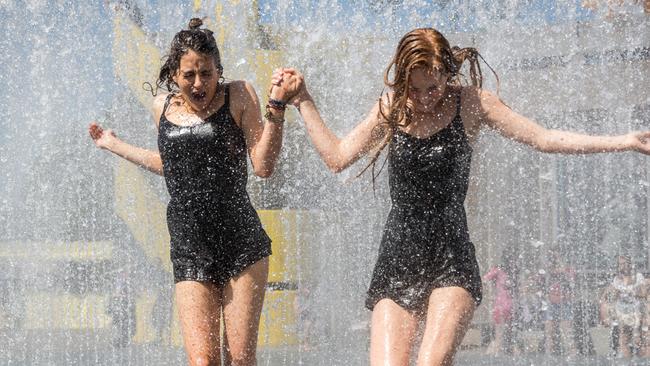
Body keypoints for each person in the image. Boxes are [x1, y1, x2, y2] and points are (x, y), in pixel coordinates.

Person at [272, 27, 650, 365]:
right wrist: (303, 99)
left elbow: (544, 138)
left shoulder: (472, 104)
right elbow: (337, 158)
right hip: (397, 257)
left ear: (447, 74)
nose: (422, 98)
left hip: (451, 259)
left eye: (432, 87)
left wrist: (623, 141)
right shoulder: (392, 107)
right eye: (414, 88)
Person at [89, 18, 292, 366]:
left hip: (241, 243)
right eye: (189, 75)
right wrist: (114, 145)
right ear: (174, 74)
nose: (199, 84)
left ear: (218, 70)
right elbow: (173, 165)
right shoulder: (162, 107)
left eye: (207, 73)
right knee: (202, 361)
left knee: (240, 359)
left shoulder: (239, 95)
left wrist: (276, 107)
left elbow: (262, 165)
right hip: (189, 245)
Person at [600, 255, 645, 358]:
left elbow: (643, 293)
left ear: (631, 264)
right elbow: (605, 297)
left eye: (626, 263)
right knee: (621, 340)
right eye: (621, 264)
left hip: (637, 316)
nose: (624, 266)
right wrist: (605, 315)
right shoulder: (616, 280)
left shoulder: (638, 277)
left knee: (638, 344)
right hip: (622, 317)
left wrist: (630, 291)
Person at [542, 251, 576, 356]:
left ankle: (572, 353)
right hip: (551, 303)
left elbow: (570, 277)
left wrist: (559, 262)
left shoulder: (567, 270)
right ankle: (549, 354)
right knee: (549, 331)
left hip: (565, 303)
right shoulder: (547, 272)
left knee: (567, 330)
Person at [483, 265, 513, 355]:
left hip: (500, 304)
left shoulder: (498, 271)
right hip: (510, 304)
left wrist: (489, 290)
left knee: (499, 329)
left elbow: (485, 278)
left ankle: (498, 349)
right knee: (508, 328)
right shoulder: (512, 272)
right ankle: (505, 348)